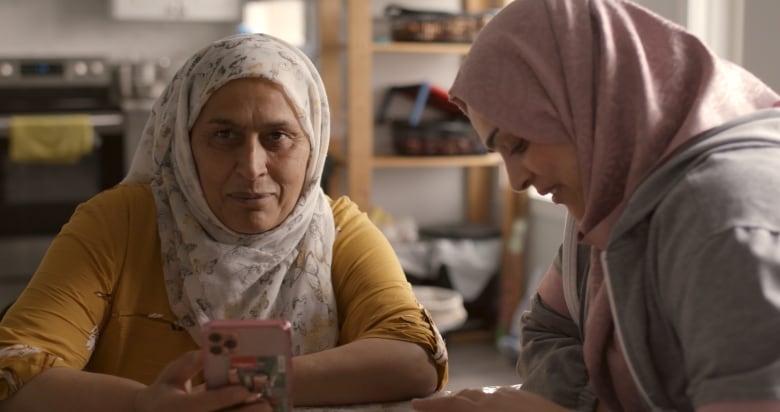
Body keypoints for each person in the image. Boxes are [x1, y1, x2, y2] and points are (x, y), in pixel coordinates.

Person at [0, 33, 448, 411]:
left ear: (312, 144)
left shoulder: (338, 231)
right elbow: (15, 366)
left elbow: (415, 358)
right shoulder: (120, 222)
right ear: (182, 144)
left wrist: (245, 381)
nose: (252, 166)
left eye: (277, 137)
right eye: (223, 136)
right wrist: (144, 405)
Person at [412, 0, 780, 411]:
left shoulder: (723, 222)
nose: (516, 181)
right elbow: (548, 326)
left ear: (587, 100)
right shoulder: (613, 197)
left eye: (518, 144)